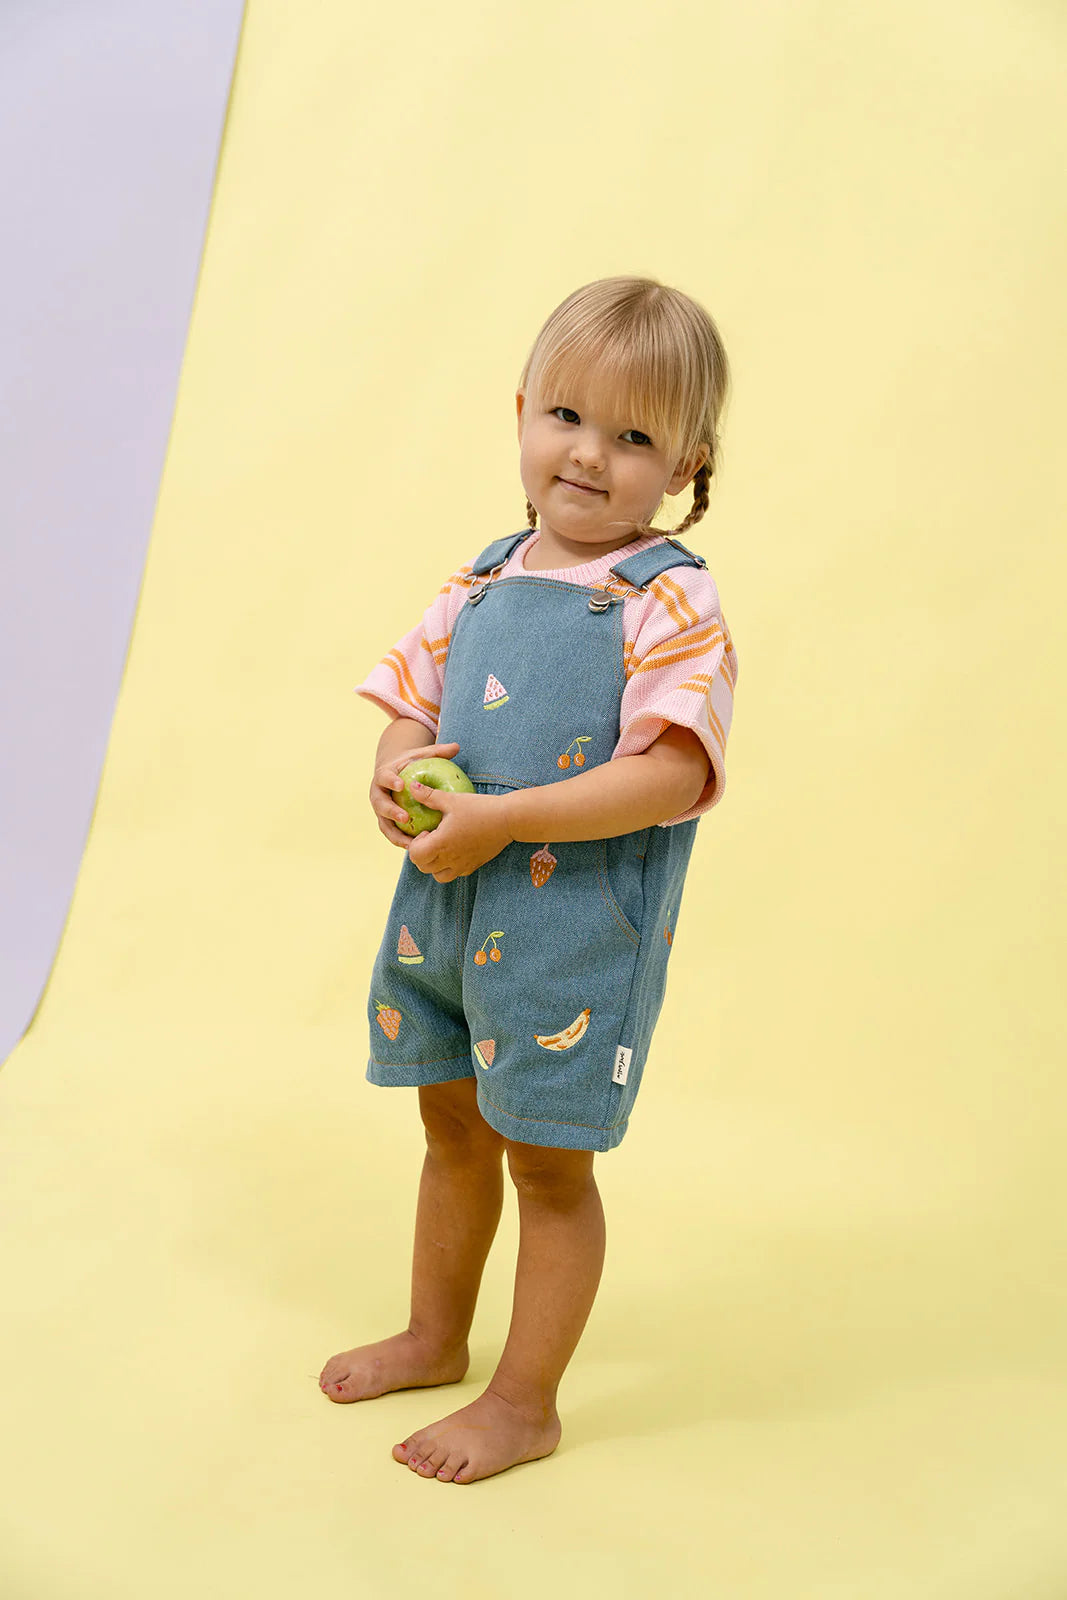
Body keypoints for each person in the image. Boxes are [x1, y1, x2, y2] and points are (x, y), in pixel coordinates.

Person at [319, 275, 740, 1484]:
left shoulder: (668, 600)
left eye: (635, 436)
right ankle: (435, 1333)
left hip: (567, 936)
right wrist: (398, 773)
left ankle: (524, 1399)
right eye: (565, 416)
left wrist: (502, 820)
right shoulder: (484, 576)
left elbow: (667, 774)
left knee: (546, 1161)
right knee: (447, 1122)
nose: (589, 456)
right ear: (520, 413)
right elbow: (404, 705)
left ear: (686, 461)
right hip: (448, 912)